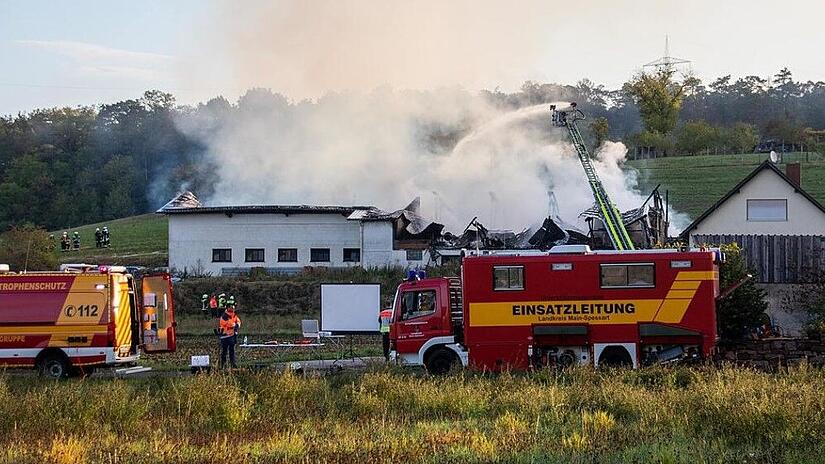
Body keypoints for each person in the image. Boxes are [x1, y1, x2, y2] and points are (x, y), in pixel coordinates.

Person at [218, 304, 241, 369]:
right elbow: (228, 323)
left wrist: (237, 325)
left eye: (233, 308)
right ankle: (223, 364)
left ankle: (232, 364)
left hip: (232, 335)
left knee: (232, 350)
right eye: (232, 308)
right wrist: (235, 325)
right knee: (224, 351)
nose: (233, 309)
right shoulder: (224, 316)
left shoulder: (234, 315)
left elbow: (238, 321)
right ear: (228, 308)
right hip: (225, 336)